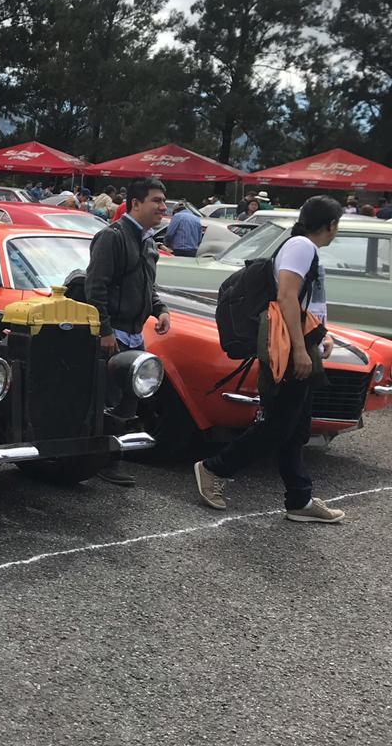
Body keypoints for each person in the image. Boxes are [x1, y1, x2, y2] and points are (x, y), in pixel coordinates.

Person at [194, 196, 346, 523]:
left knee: (295, 429)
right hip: (291, 349)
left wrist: (322, 335)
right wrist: (302, 349)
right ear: (330, 224)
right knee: (278, 426)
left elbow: (306, 303)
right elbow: (286, 296)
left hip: (302, 342)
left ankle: (299, 499)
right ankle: (213, 469)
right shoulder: (302, 247)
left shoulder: (302, 247)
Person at [84, 177, 171, 486]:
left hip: (135, 334)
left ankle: (113, 457)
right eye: (156, 201)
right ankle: (102, 460)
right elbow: (96, 288)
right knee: (109, 399)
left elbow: (149, 285)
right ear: (135, 203)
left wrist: (160, 310)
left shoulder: (147, 241)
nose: (163, 206)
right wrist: (105, 331)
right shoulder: (112, 237)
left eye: (163, 201)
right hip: (116, 334)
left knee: (129, 399)